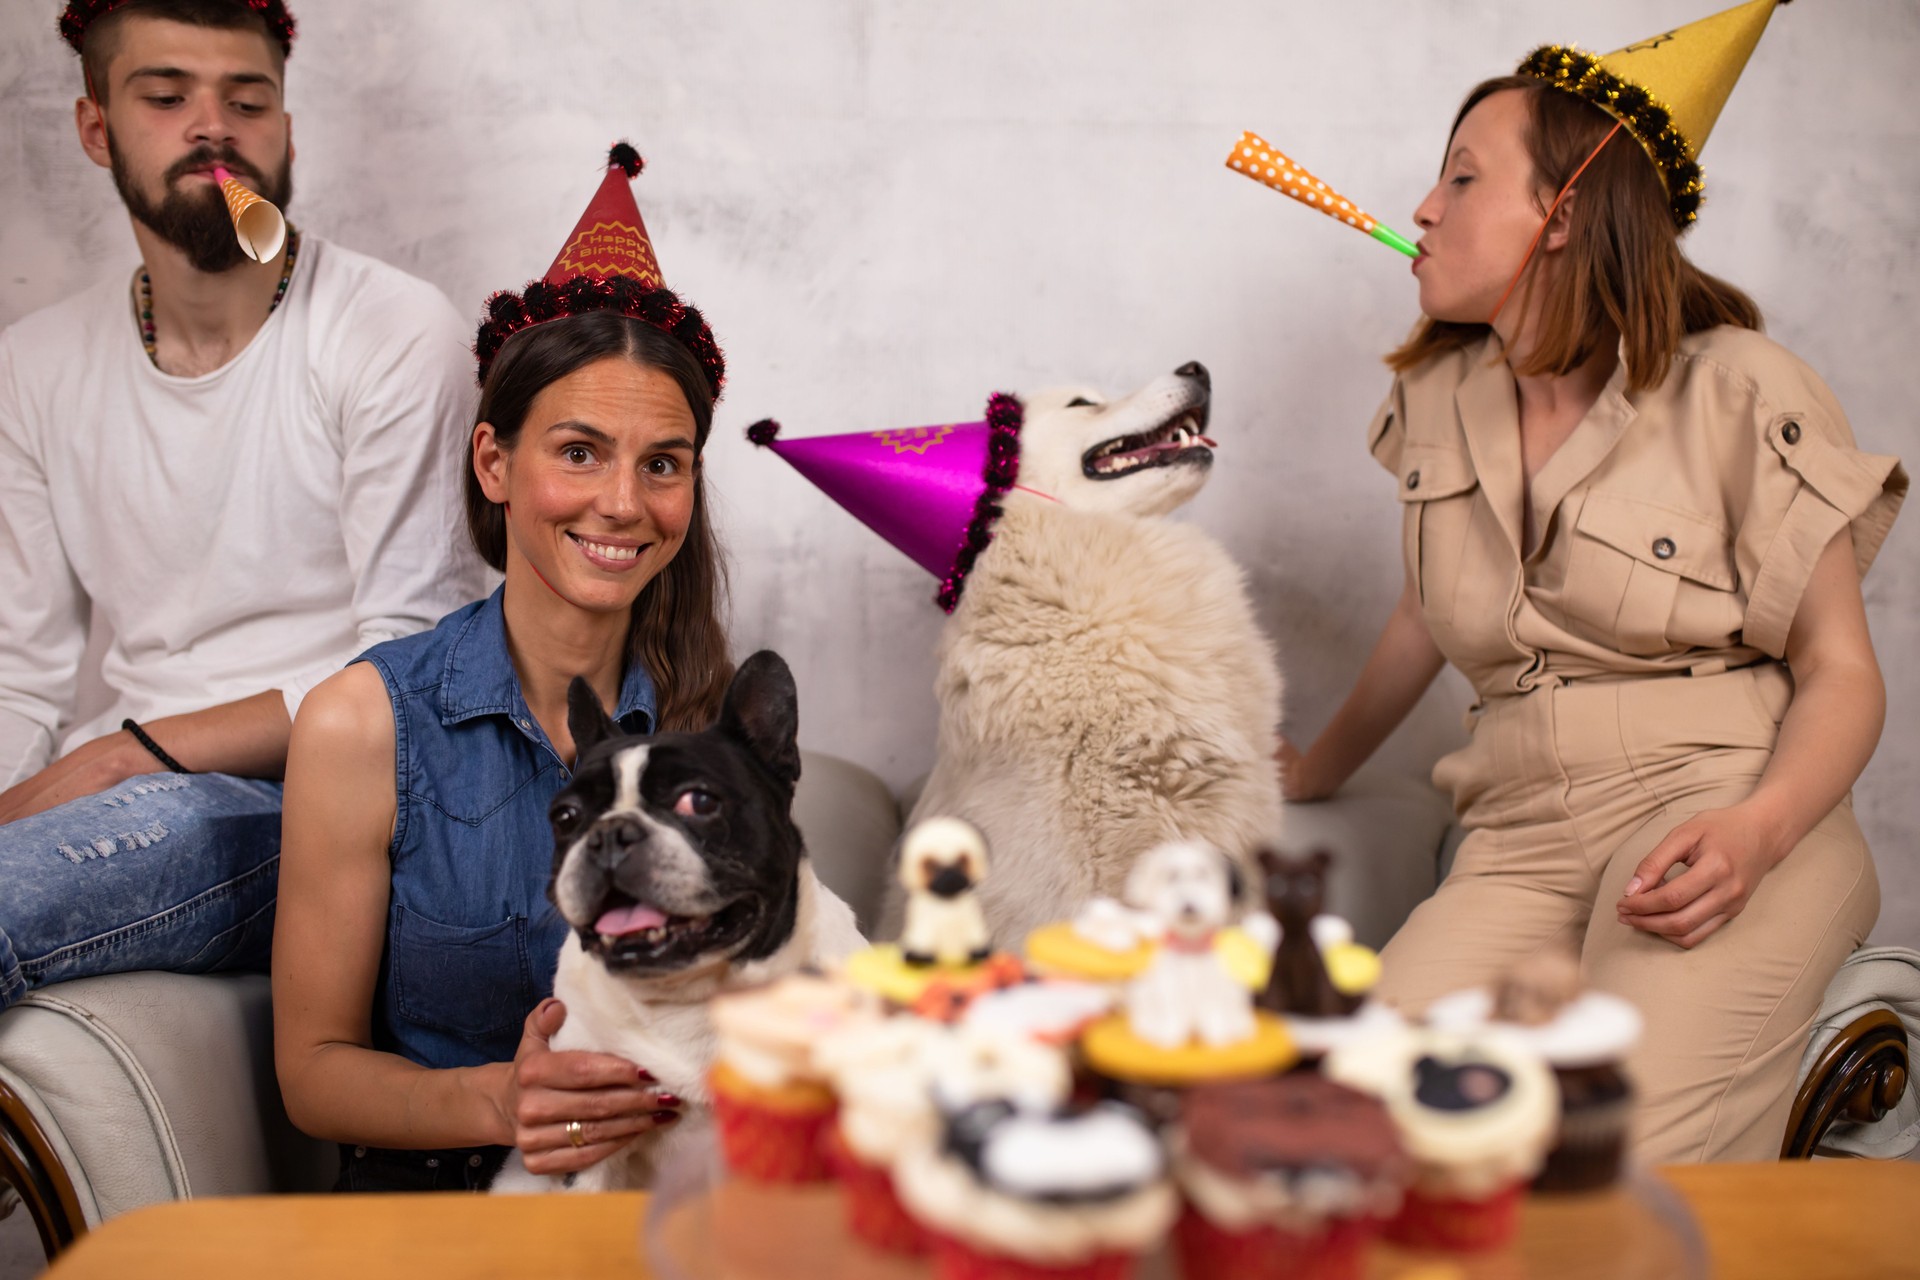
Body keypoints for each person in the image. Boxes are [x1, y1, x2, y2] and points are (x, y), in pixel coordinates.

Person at [1278, 1, 1906, 1162]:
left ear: (1561, 215)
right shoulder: (1438, 400)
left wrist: (1759, 831)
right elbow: (1430, 608)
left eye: (1462, 179)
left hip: (1714, 802)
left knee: (1610, 1164)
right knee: (1357, 1139)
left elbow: (1839, 669)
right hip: (1513, 834)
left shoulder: (1742, 386)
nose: (1422, 207)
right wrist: (1314, 766)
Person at [0, 0, 485, 1010]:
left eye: (247, 99)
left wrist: (129, 752)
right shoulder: (35, 365)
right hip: (120, 786)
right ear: (97, 128)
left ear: (288, 132)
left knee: (160, 826)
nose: (212, 128)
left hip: (318, 796)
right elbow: (22, 675)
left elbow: (411, 665)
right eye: (167, 95)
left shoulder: (390, 331)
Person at [272, 147, 740, 1190]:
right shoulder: (366, 723)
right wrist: (497, 1095)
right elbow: (312, 1070)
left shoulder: (712, 715)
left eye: (662, 463)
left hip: (664, 1207)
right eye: (579, 450)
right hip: (443, 1211)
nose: (623, 502)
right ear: (495, 461)